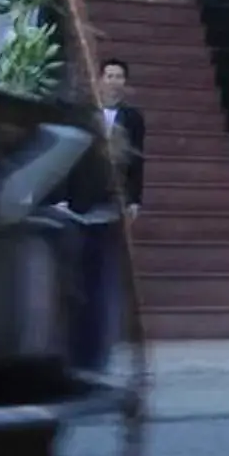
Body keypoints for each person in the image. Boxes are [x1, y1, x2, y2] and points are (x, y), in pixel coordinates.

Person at [62, 56, 144, 369]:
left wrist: (136, 199)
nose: (113, 81)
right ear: (100, 79)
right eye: (108, 75)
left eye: (119, 76)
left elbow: (138, 162)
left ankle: (97, 350)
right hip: (81, 205)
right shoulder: (84, 114)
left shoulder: (133, 119)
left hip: (111, 208)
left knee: (101, 280)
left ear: (125, 82)